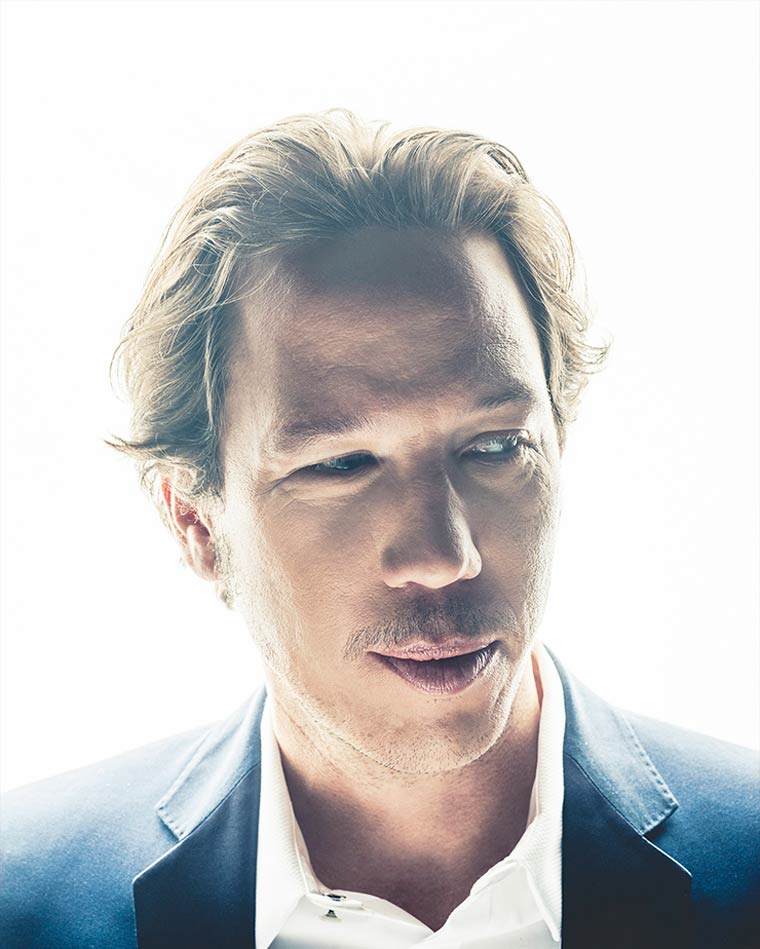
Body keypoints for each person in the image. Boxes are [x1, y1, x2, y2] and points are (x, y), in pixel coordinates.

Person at [1, 109, 757, 949]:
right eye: (341, 465)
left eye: (495, 447)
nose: (443, 556)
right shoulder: (23, 906)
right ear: (196, 522)